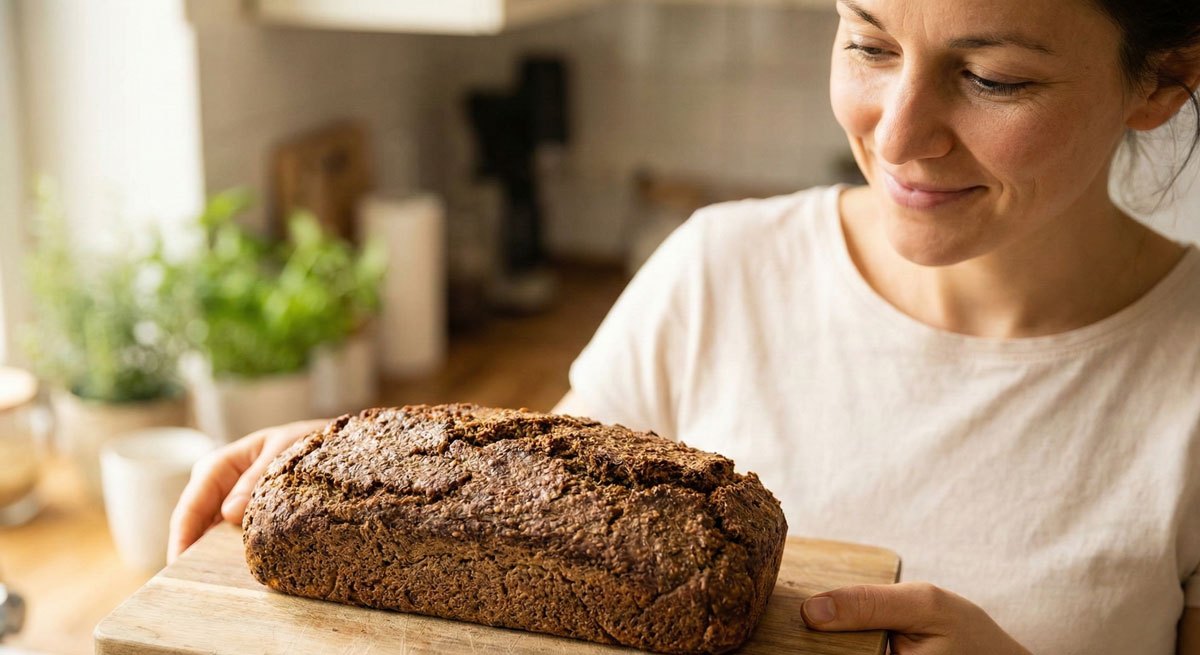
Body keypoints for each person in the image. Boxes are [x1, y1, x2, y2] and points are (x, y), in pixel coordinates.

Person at [168, 0, 1200, 652]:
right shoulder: (720, 268)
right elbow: (523, 512)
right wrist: (349, 463)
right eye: (867, 41)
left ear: (1162, 78)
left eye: (994, 77)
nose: (898, 133)